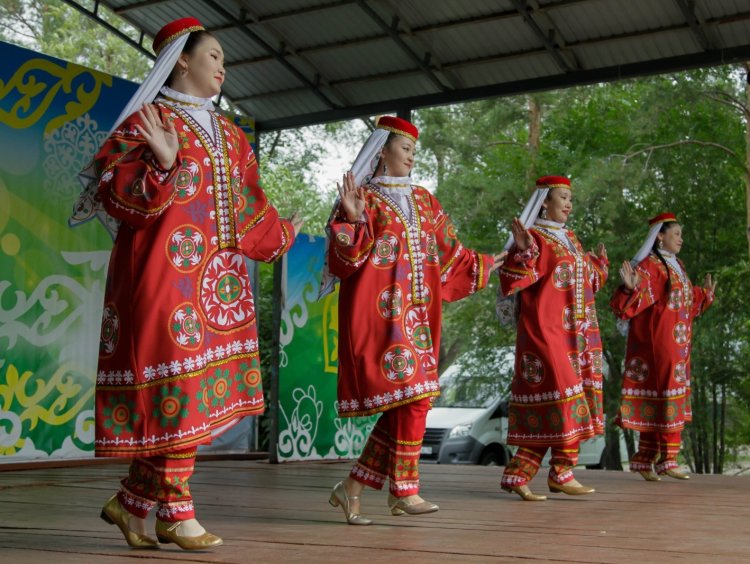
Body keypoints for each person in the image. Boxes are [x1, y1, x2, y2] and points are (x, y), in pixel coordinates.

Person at [70, 17, 302, 550]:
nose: (223, 65)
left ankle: (131, 503)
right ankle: (176, 512)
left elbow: (248, 208)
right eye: (214, 55)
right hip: (162, 276)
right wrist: (166, 163)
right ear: (181, 58)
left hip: (217, 285)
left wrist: (284, 232)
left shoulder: (231, 134)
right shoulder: (145, 121)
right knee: (178, 386)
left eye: (223, 58)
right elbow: (117, 195)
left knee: (194, 394)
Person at [323, 116, 506, 524]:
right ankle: (403, 490)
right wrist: (352, 220)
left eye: (413, 150)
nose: (411, 156)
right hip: (378, 313)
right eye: (404, 148)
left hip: (419, 318)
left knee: (410, 400)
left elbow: (451, 253)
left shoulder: (424, 200)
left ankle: (352, 488)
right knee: (416, 397)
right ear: (382, 151)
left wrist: (492, 262)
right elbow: (343, 262)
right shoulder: (363, 198)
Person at [498, 176, 608, 501]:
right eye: (563, 197)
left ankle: (521, 474)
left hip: (577, 333)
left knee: (562, 402)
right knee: (564, 398)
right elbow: (512, 278)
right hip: (544, 332)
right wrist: (522, 251)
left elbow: (584, 282)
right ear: (545, 201)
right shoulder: (535, 238)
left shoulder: (570, 238)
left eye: (571, 198)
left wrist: (599, 267)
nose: (569, 204)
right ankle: (561, 472)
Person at [611, 213, 715, 481]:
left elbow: (687, 301)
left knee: (660, 396)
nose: (681, 238)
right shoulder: (652, 266)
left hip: (676, 345)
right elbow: (635, 299)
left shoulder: (675, 264)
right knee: (666, 394)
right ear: (660, 236)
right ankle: (668, 459)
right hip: (659, 343)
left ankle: (645, 460)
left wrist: (705, 295)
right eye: (676, 233)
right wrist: (630, 288)